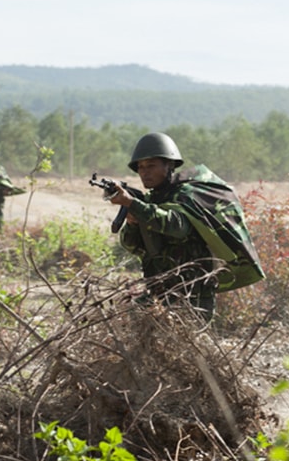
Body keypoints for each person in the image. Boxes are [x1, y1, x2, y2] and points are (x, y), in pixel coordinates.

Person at [107, 132, 265, 320]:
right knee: (127, 319)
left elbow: (177, 227)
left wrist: (132, 204)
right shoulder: (150, 201)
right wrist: (133, 222)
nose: (144, 172)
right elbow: (131, 245)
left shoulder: (187, 195)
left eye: (151, 165)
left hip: (193, 296)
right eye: (140, 167)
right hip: (159, 291)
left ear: (169, 165)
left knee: (188, 345)